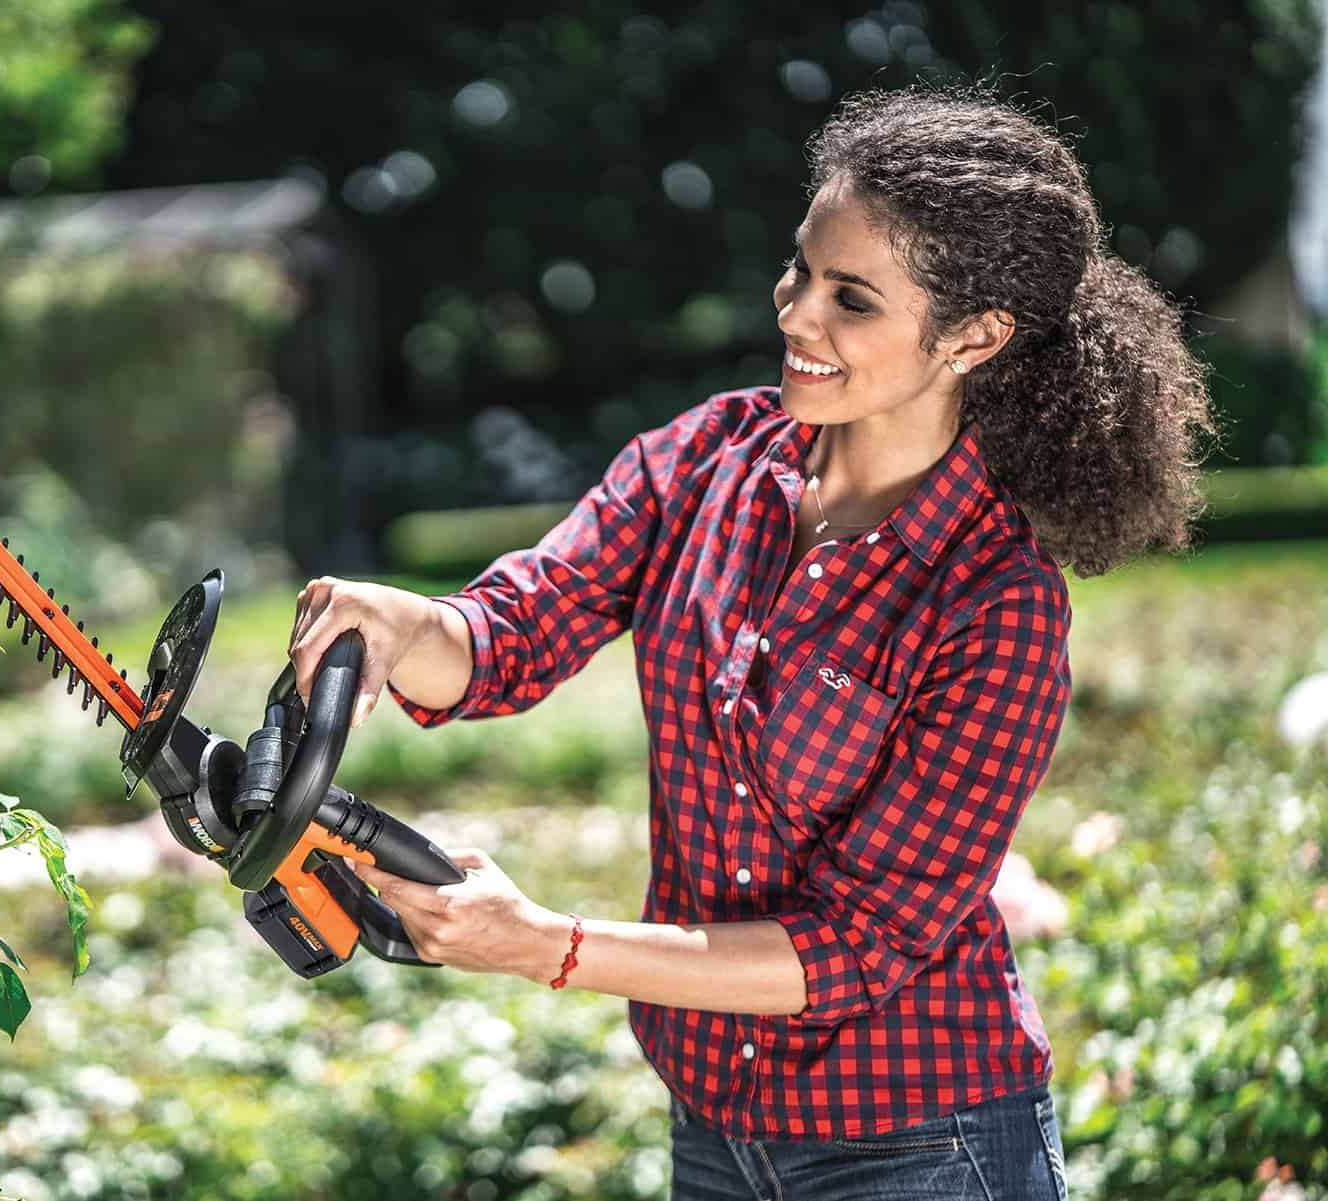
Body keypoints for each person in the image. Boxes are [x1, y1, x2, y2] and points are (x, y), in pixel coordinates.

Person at [287, 83, 1213, 1200]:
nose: (795, 315)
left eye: (852, 300)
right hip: (717, 1130)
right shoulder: (709, 460)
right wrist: (402, 622)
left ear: (974, 337)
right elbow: (514, 630)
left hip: (922, 1146)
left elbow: (853, 945)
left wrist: (550, 944)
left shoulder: (994, 605)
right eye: (800, 271)